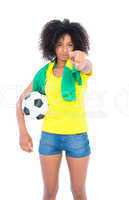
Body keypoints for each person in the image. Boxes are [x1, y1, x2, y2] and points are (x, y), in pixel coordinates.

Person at [16, 18, 93, 200]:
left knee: (79, 193)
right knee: (49, 193)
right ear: (51, 46)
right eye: (59, 45)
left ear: (77, 46)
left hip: (77, 137)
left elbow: (87, 66)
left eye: (70, 45)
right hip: (50, 137)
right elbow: (20, 102)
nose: (65, 50)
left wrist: (83, 60)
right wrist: (23, 133)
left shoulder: (77, 69)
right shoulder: (44, 73)